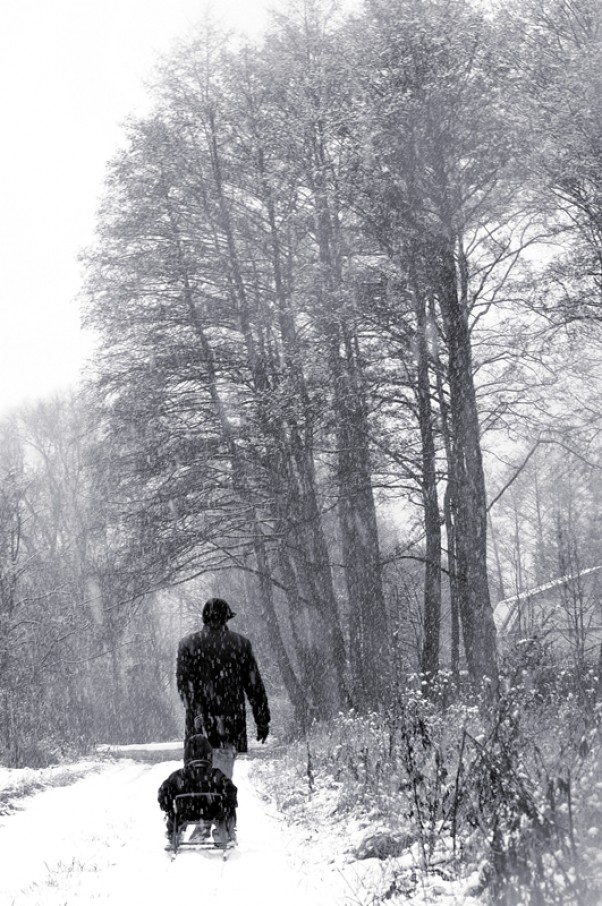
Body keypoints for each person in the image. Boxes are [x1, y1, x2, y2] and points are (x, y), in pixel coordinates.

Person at [176, 597, 271, 779]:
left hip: (198, 727)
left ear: (204, 618)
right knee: (222, 784)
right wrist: (262, 721)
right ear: (227, 617)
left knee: (197, 782)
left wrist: (197, 713)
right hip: (230, 725)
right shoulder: (240, 644)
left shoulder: (188, 645)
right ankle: (220, 803)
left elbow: (184, 687)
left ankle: (202, 803)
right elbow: (254, 687)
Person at [157, 733, 238, 846]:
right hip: (213, 812)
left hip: (185, 813)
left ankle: (174, 834)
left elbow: (164, 792)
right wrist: (229, 803)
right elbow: (230, 790)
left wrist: (167, 806)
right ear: (209, 755)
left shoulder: (178, 776)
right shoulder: (216, 774)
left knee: (173, 810)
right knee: (228, 808)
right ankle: (224, 833)